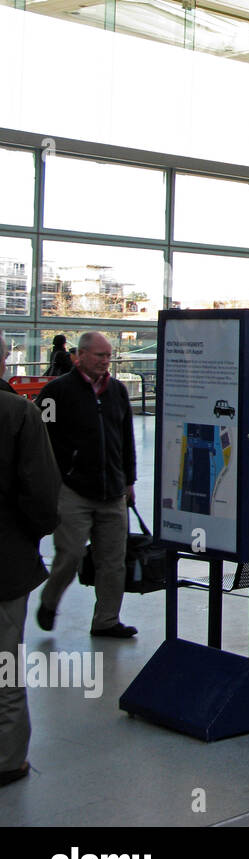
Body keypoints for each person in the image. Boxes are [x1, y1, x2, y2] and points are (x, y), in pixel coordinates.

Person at [33, 332, 138, 638]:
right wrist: (55, 478)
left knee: (113, 560)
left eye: (108, 356)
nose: (105, 361)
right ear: (80, 356)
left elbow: (126, 439)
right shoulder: (56, 391)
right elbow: (42, 438)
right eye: (99, 355)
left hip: (113, 490)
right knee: (70, 555)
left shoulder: (117, 391)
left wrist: (129, 480)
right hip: (73, 490)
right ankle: (50, 600)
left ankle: (106, 619)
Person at [0, 333, 61, 788]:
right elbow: (42, 494)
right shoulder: (17, 413)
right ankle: (7, 758)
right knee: (4, 663)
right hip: (5, 563)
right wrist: (30, 533)